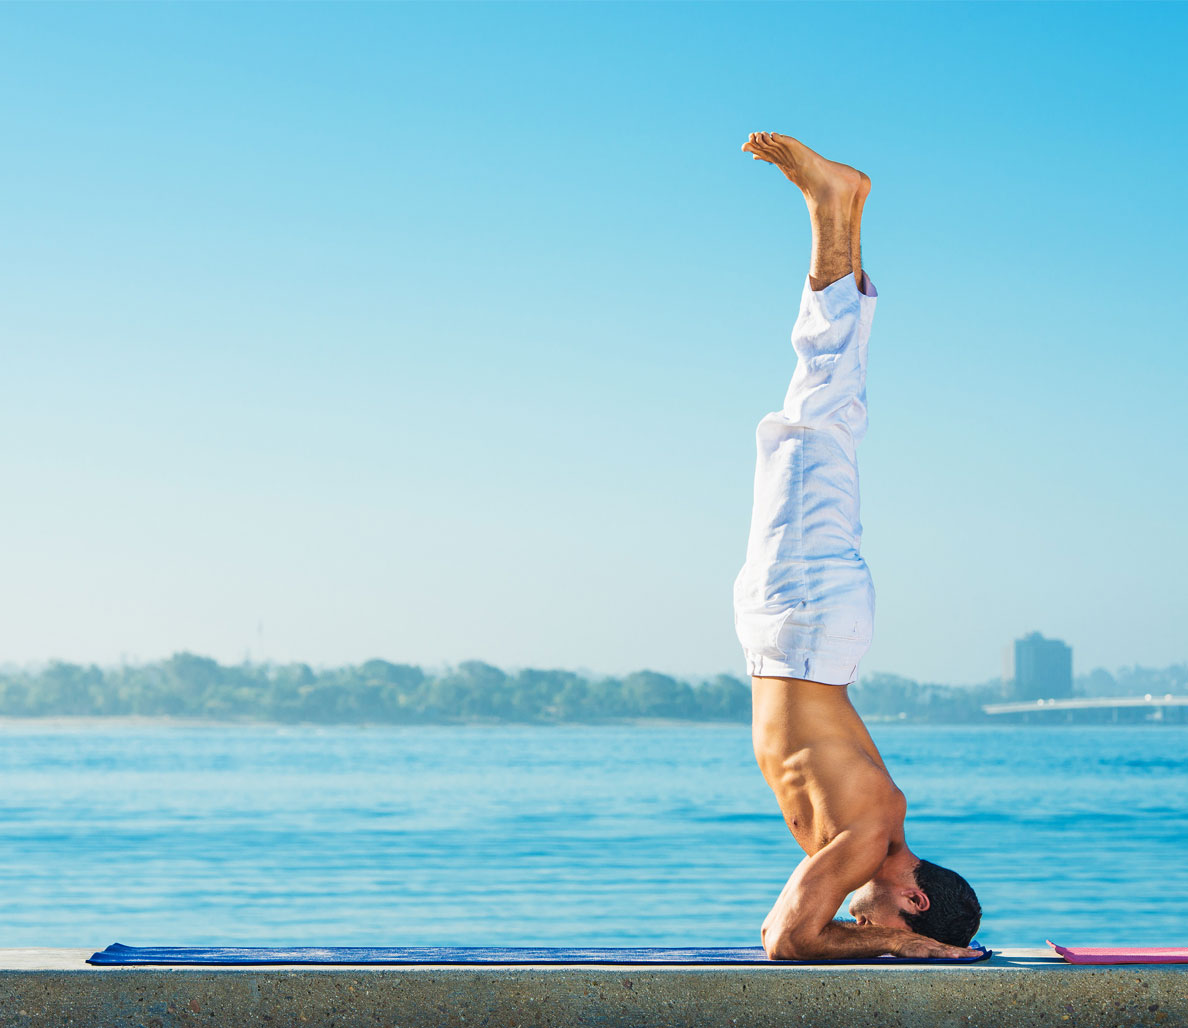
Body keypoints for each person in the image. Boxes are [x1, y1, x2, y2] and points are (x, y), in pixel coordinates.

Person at [734, 131, 982, 961]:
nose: (862, 926)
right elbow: (787, 940)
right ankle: (832, 207)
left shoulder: (866, 839)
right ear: (913, 896)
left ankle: (839, 208)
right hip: (803, 621)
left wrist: (893, 943)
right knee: (817, 421)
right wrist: (902, 950)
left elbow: (799, 932)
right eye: (881, 923)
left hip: (801, 628)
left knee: (817, 424)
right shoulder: (869, 839)